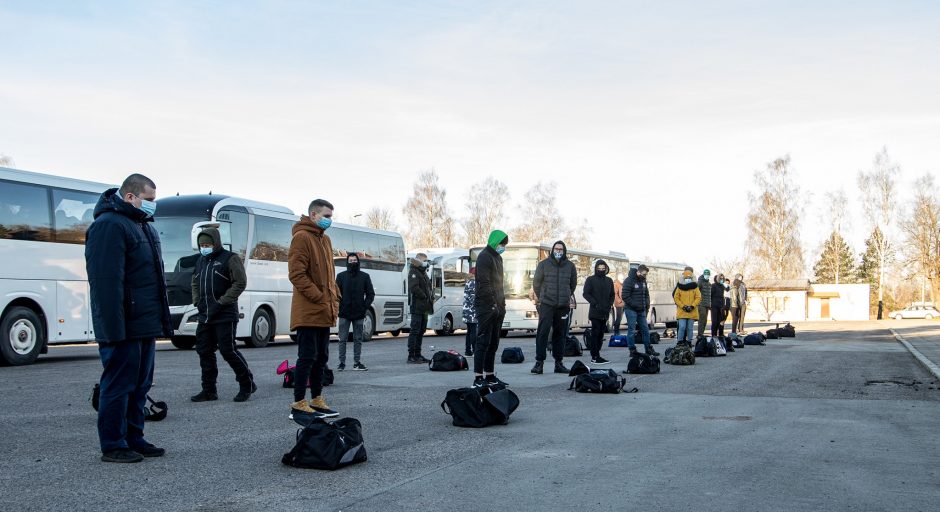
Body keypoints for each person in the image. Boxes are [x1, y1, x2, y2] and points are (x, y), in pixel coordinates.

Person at [85, 173, 172, 463]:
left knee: (140, 386)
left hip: (143, 323)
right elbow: (106, 283)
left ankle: (134, 436)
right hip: (123, 327)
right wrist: (113, 329)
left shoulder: (142, 226)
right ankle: (113, 444)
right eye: (149, 200)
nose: (152, 206)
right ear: (130, 197)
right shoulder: (109, 226)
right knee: (118, 385)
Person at [288, 199, 340, 419]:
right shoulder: (301, 238)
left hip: (324, 309)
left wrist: (335, 296)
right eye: (326, 215)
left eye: (331, 216)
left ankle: (317, 399)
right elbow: (296, 274)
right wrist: (319, 297)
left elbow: (330, 276)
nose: (329, 219)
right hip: (308, 310)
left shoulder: (325, 240)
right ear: (313, 215)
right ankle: (299, 402)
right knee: (307, 356)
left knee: (321, 357)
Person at [190, 227, 255, 403]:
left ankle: (246, 384)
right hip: (205, 314)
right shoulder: (201, 261)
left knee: (228, 350)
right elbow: (195, 282)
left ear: (216, 242)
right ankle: (209, 390)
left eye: (208, 244)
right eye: (202, 244)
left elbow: (240, 282)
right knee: (204, 350)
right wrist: (197, 301)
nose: (205, 247)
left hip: (224, 313)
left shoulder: (230, 258)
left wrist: (222, 301)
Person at [531, 240, 577, 374]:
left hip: (563, 306)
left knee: (560, 334)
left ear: (564, 251)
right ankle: (539, 363)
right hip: (547, 304)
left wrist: (566, 295)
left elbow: (572, 284)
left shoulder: (570, 266)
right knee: (543, 333)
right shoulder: (543, 264)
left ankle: (559, 363)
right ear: (552, 250)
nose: (558, 251)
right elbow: (536, 283)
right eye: (556, 249)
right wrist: (543, 297)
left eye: (560, 249)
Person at [473, 230, 509, 387]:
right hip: (486, 306)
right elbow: (484, 282)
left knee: (494, 342)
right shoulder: (484, 256)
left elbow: (500, 283)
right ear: (495, 242)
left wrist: (502, 305)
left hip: (498, 306)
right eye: (502, 244)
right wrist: (493, 304)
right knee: (483, 341)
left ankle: (490, 375)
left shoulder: (498, 258)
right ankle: (478, 377)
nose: (503, 247)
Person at [335, 253, 375, 371]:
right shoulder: (341, 276)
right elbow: (336, 294)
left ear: (358, 262)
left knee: (358, 339)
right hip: (344, 313)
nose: (352, 262)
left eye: (354, 260)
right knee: (342, 339)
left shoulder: (365, 276)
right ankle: (341, 363)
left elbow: (370, 294)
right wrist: (339, 306)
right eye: (350, 260)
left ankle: (357, 363)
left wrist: (364, 306)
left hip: (359, 313)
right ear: (347, 262)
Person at [622, 264, 660, 356]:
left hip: (641, 310)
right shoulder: (629, 280)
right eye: (643, 274)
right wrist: (636, 305)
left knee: (645, 330)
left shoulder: (643, 281)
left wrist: (646, 306)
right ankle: (632, 350)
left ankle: (648, 348)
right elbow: (625, 296)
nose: (644, 276)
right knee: (631, 330)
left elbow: (646, 295)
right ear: (638, 272)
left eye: (646, 275)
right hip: (631, 309)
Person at [582, 259, 615, 364]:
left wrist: (609, 304)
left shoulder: (609, 280)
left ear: (606, 269)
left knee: (601, 334)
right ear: (596, 268)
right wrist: (594, 303)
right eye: (599, 268)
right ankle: (594, 356)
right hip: (595, 311)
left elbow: (612, 294)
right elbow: (586, 293)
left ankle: (597, 355)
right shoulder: (590, 280)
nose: (601, 270)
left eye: (603, 268)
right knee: (595, 333)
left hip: (605, 312)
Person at [406, 253, 433, 364]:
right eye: (425, 260)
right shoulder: (413, 271)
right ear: (419, 261)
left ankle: (418, 354)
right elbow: (414, 288)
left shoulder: (423, 273)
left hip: (425, 307)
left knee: (421, 331)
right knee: (415, 331)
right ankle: (411, 355)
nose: (427, 262)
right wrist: (424, 296)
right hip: (417, 306)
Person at [673, 270, 701, 344]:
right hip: (682, 311)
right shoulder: (679, 287)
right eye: (686, 278)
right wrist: (683, 306)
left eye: (689, 278)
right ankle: (680, 341)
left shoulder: (695, 287)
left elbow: (698, 297)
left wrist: (692, 306)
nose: (688, 279)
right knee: (682, 327)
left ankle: (689, 342)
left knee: (690, 328)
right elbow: (676, 298)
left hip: (692, 310)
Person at [462, 267, 478, 357]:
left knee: (469, 332)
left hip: (467, 311)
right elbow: (475, 299)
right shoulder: (474, 283)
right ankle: (475, 350)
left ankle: (468, 350)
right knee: (473, 332)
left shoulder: (468, 282)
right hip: (473, 312)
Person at [697, 269, 713, 338]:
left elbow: (709, 295)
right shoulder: (700, 282)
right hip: (701, 304)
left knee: (705, 320)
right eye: (706, 274)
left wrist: (710, 304)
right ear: (703, 274)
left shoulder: (709, 284)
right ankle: (699, 334)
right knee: (702, 319)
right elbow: (696, 293)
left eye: (708, 274)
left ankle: (701, 333)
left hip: (707, 304)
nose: (707, 276)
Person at [711, 274, 727, 338]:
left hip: (721, 305)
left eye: (722, 279)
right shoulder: (713, 285)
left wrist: (725, 284)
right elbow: (711, 295)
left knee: (721, 320)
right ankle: (714, 334)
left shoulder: (723, 286)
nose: (721, 280)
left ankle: (721, 333)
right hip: (714, 305)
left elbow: (728, 289)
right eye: (720, 278)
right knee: (715, 321)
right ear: (718, 279)